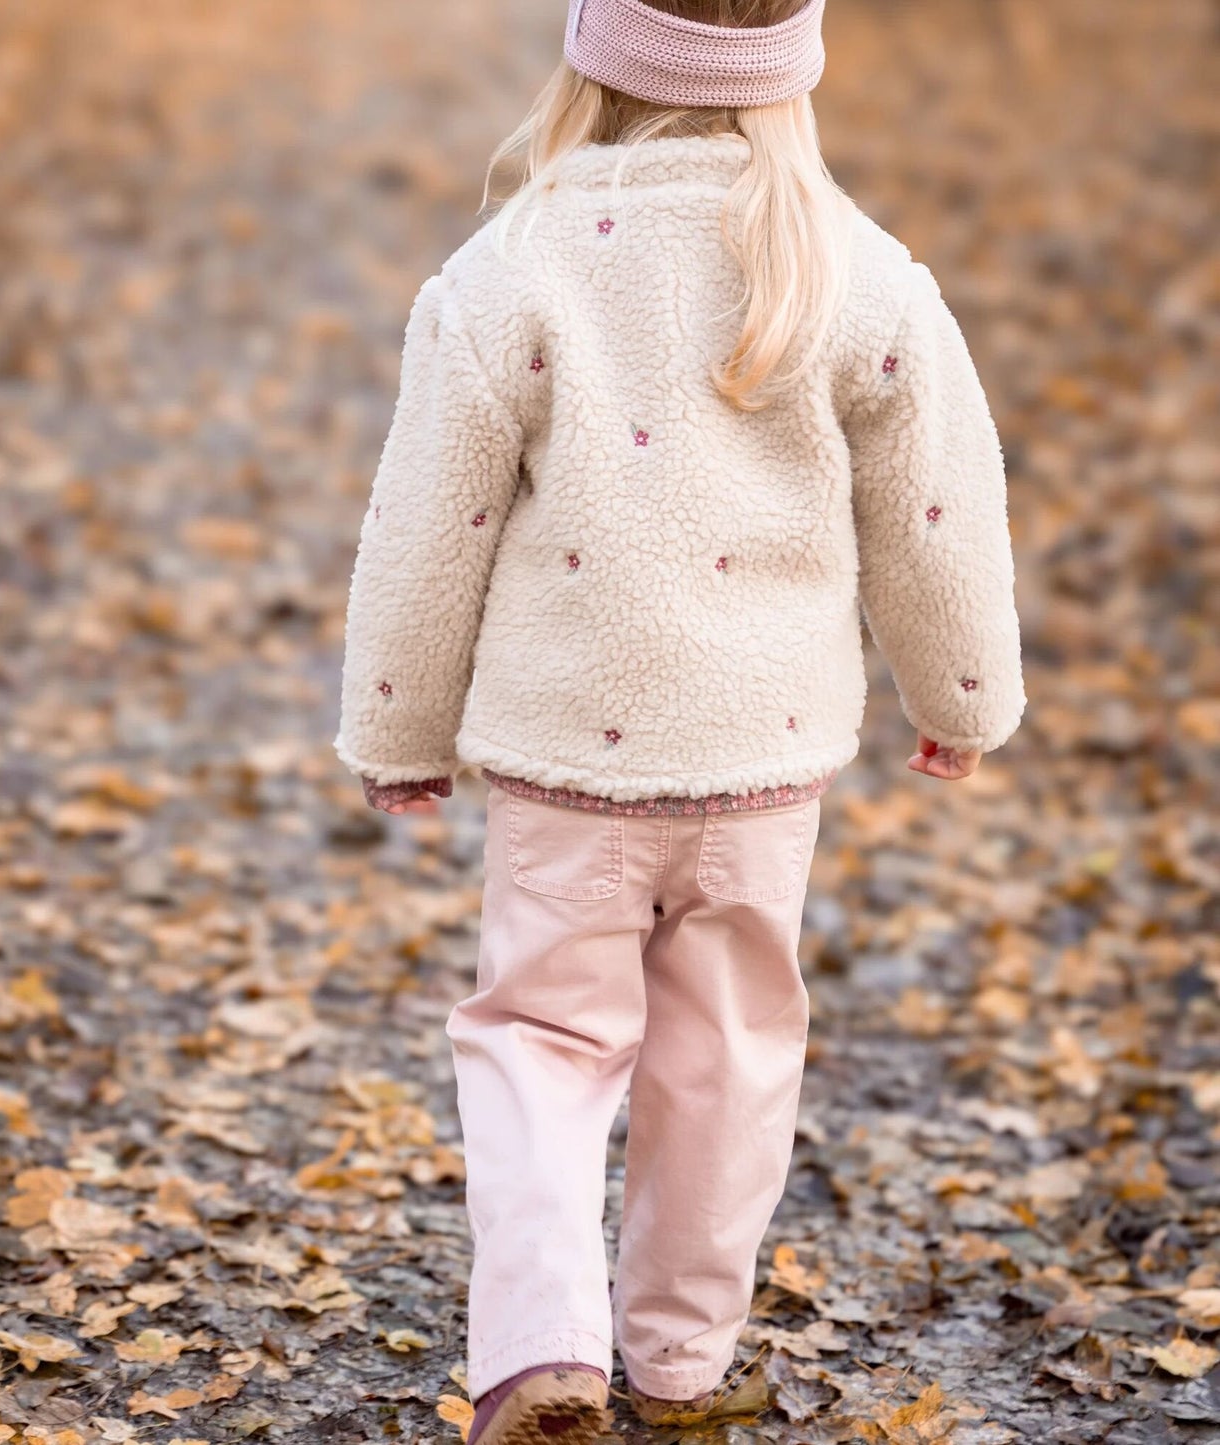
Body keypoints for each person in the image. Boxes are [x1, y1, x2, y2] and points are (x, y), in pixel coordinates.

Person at [333, 0, 1025, 1438]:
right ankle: (679, 1359)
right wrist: (964, 696)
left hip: (564, 764)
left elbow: (426, 527)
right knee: (728, 1050)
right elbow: (936, 514)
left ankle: (540, 1340)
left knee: (537, 1033)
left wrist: (397, 730)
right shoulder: (862, 273)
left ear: (588, 56)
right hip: (757, 769)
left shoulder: (505, 270)